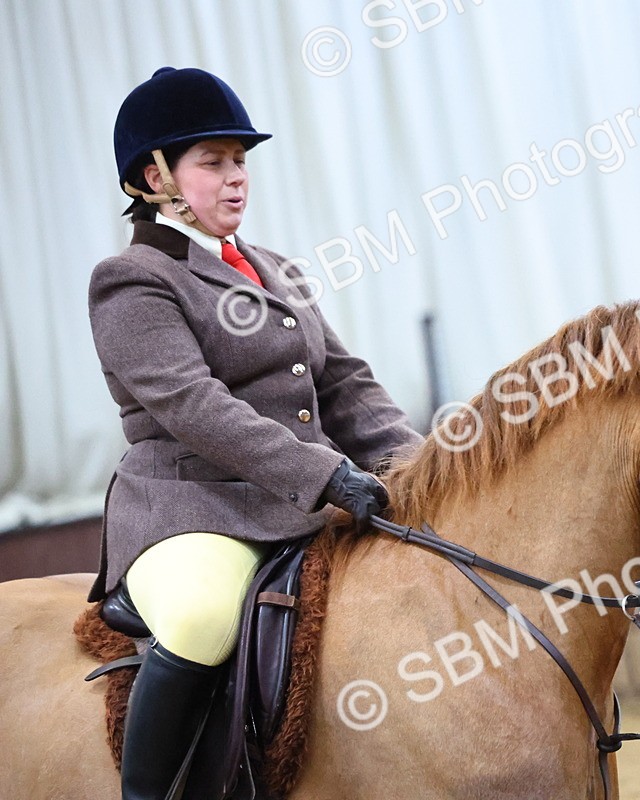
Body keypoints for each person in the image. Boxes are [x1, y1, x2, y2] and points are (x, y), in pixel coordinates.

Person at [89, 66, 424, 799]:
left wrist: (418, 467)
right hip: (191, 511)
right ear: (154, 177)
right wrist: (325, 474)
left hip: (301, 498)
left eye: (240, 161)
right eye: (213, 162)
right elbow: (195, 405)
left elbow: (342, 381)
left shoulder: (275, 268)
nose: (236, 178)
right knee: (206, 617)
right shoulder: (131, 278)